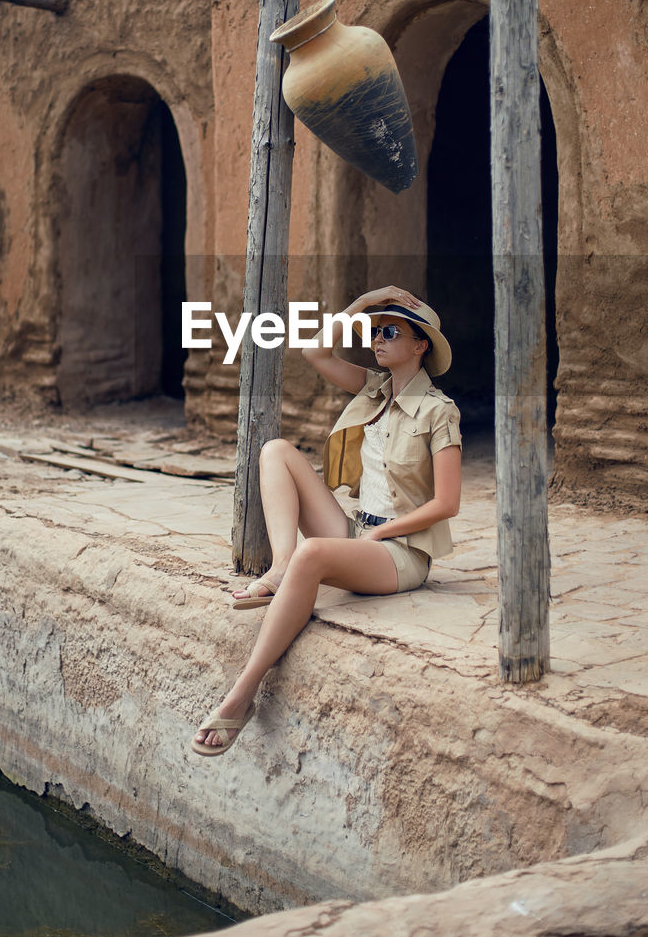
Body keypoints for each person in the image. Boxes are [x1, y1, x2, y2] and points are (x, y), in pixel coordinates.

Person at [191, 286, 462, 756]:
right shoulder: (373, 390)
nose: (377, 339)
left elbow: (447, 503)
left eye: (390, 331)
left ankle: (244, 692)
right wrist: (364, 302)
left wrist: (383, 532)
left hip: (401, 553)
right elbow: (313, 350)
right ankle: (281, 566)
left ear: (421, 345)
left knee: (313, 553)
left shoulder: (439, 412)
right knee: (276, 451)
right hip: (360, 534)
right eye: (374, 332)